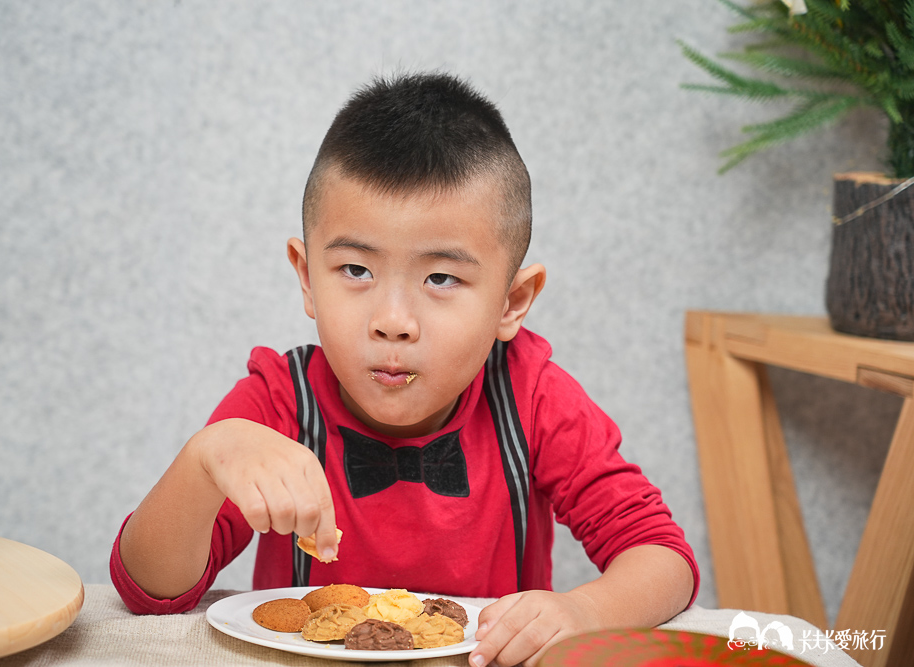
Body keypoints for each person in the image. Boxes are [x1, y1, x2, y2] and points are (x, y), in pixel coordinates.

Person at [111, 71, 698, 667]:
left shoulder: (534, 396)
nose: (393, 321)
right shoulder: (278, 404)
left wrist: (587, 612)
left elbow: (662, 554)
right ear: (307, 275)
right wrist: (204, 459)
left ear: (512, 302)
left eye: (441, 278)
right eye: (356, 271)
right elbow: (152, 592)